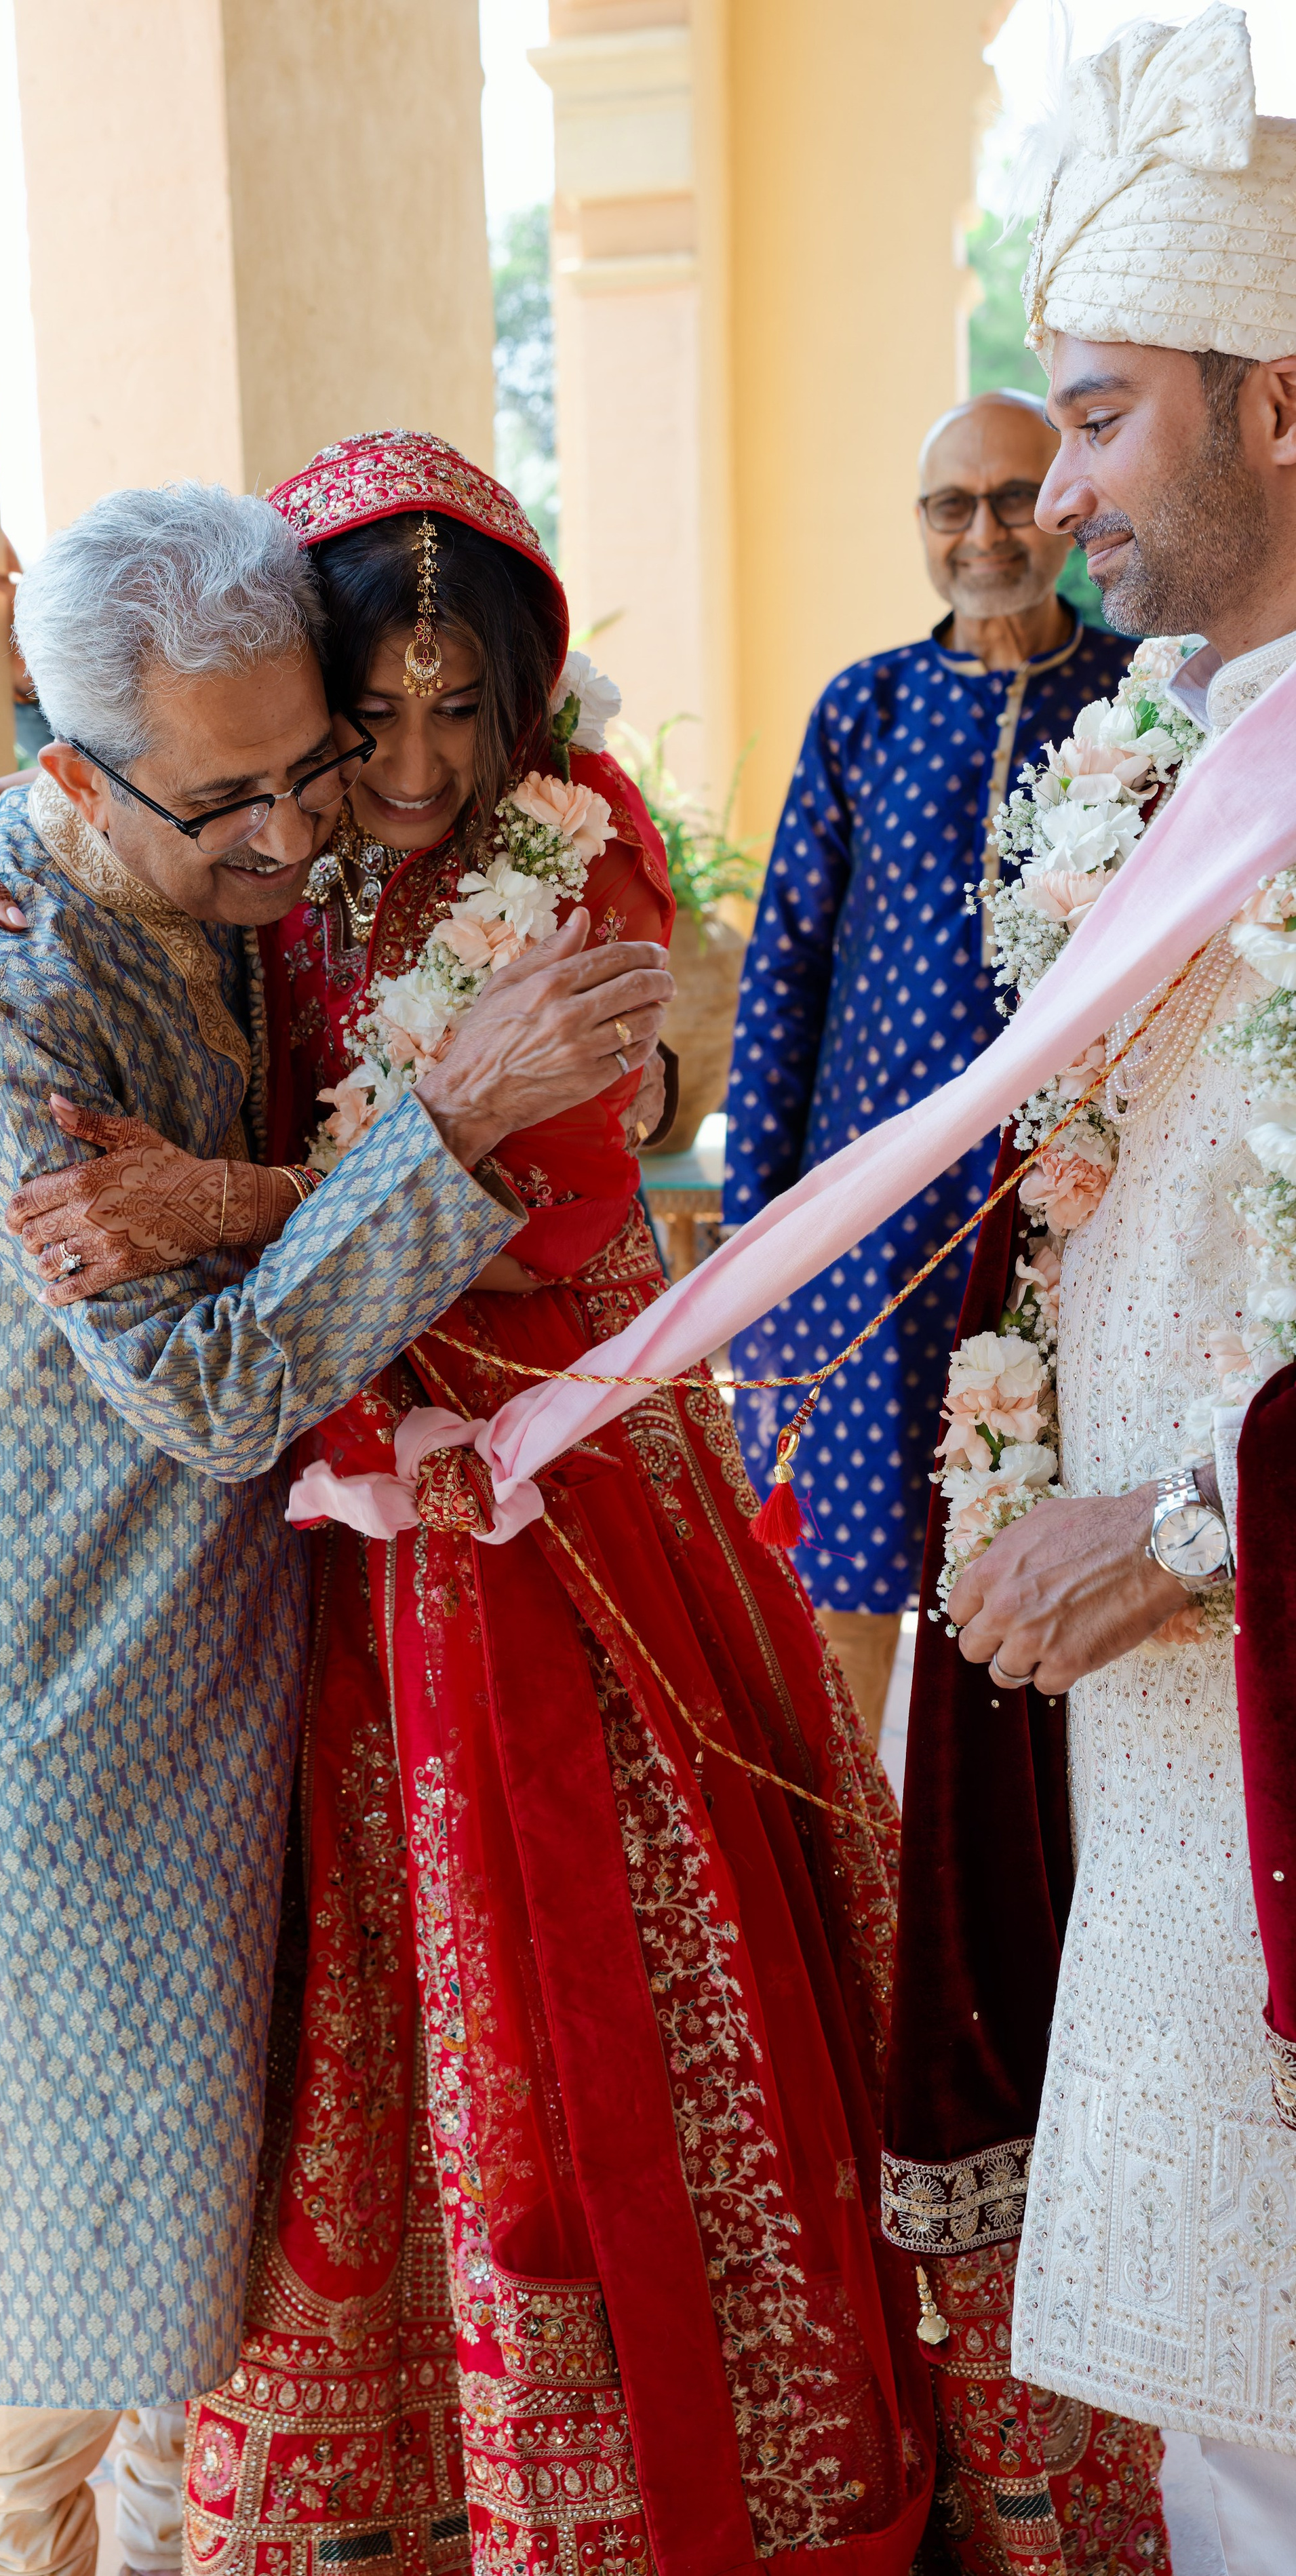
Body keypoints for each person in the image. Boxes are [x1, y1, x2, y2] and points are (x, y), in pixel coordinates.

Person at [0, 432, 936, 2573]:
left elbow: (566, 1202)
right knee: (141, 2216)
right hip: (129, 1632)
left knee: (338, 2135)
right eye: (370, 726)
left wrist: (231, 1186)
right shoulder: (119, 915)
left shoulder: (531, 847)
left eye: (450, 717)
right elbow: (230, 1359)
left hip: (491, 1521)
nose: (381, 782)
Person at [884, 10, 1296, 2567]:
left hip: (1248, 1631)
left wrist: (1199, 1519)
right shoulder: (1164, 743)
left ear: (1287, 409)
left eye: (1110, 414)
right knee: (1232, 2408)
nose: (1054, 485)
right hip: (1163, 1739)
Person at [725, 391, 1135, 1741]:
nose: (983, 532)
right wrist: (753, 1242)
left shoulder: (1132, 694)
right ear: (920, 525)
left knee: (1028, 1546)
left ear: (1063, 504)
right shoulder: (865, 709)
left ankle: (993, 1905)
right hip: (866, 1212)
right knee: (842, 1565)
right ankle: (852, 1904)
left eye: (1012, 496)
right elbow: (782, 966)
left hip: (1062, 1205)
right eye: (949, 505)